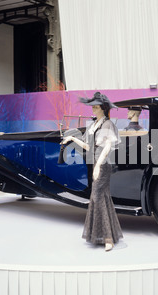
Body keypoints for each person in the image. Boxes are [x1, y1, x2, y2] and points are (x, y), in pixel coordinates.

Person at [61, 92, 123, 251]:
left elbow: (107, 147)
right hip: (95, 161)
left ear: (103, 108)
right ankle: (105, 235)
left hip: (103, 163)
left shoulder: (107, 124)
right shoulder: (94, 125)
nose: (93, 109)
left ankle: (108, 238)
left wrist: (97, 166)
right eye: (93, 107)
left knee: (97, 195)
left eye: (96, 107)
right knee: (102, 196)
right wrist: (73, 139)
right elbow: (89, 147)